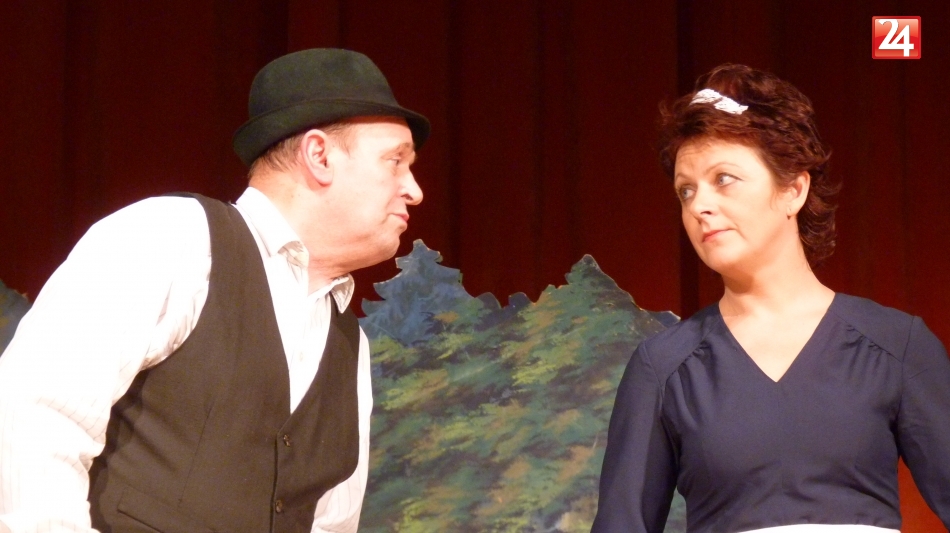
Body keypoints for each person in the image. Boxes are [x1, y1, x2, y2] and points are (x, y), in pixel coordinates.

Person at [0, 48, 429, 533]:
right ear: (319, 156)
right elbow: (35, 420)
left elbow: (329, 524)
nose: (414, 190)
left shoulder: (349, 344)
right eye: (395, 161)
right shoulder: (172, 239)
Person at [591, 64, 950, 532]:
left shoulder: (896, 345)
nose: (699, 205)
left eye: (724, 179)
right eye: (685, 190)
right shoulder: (663, 368)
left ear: (793, 190)